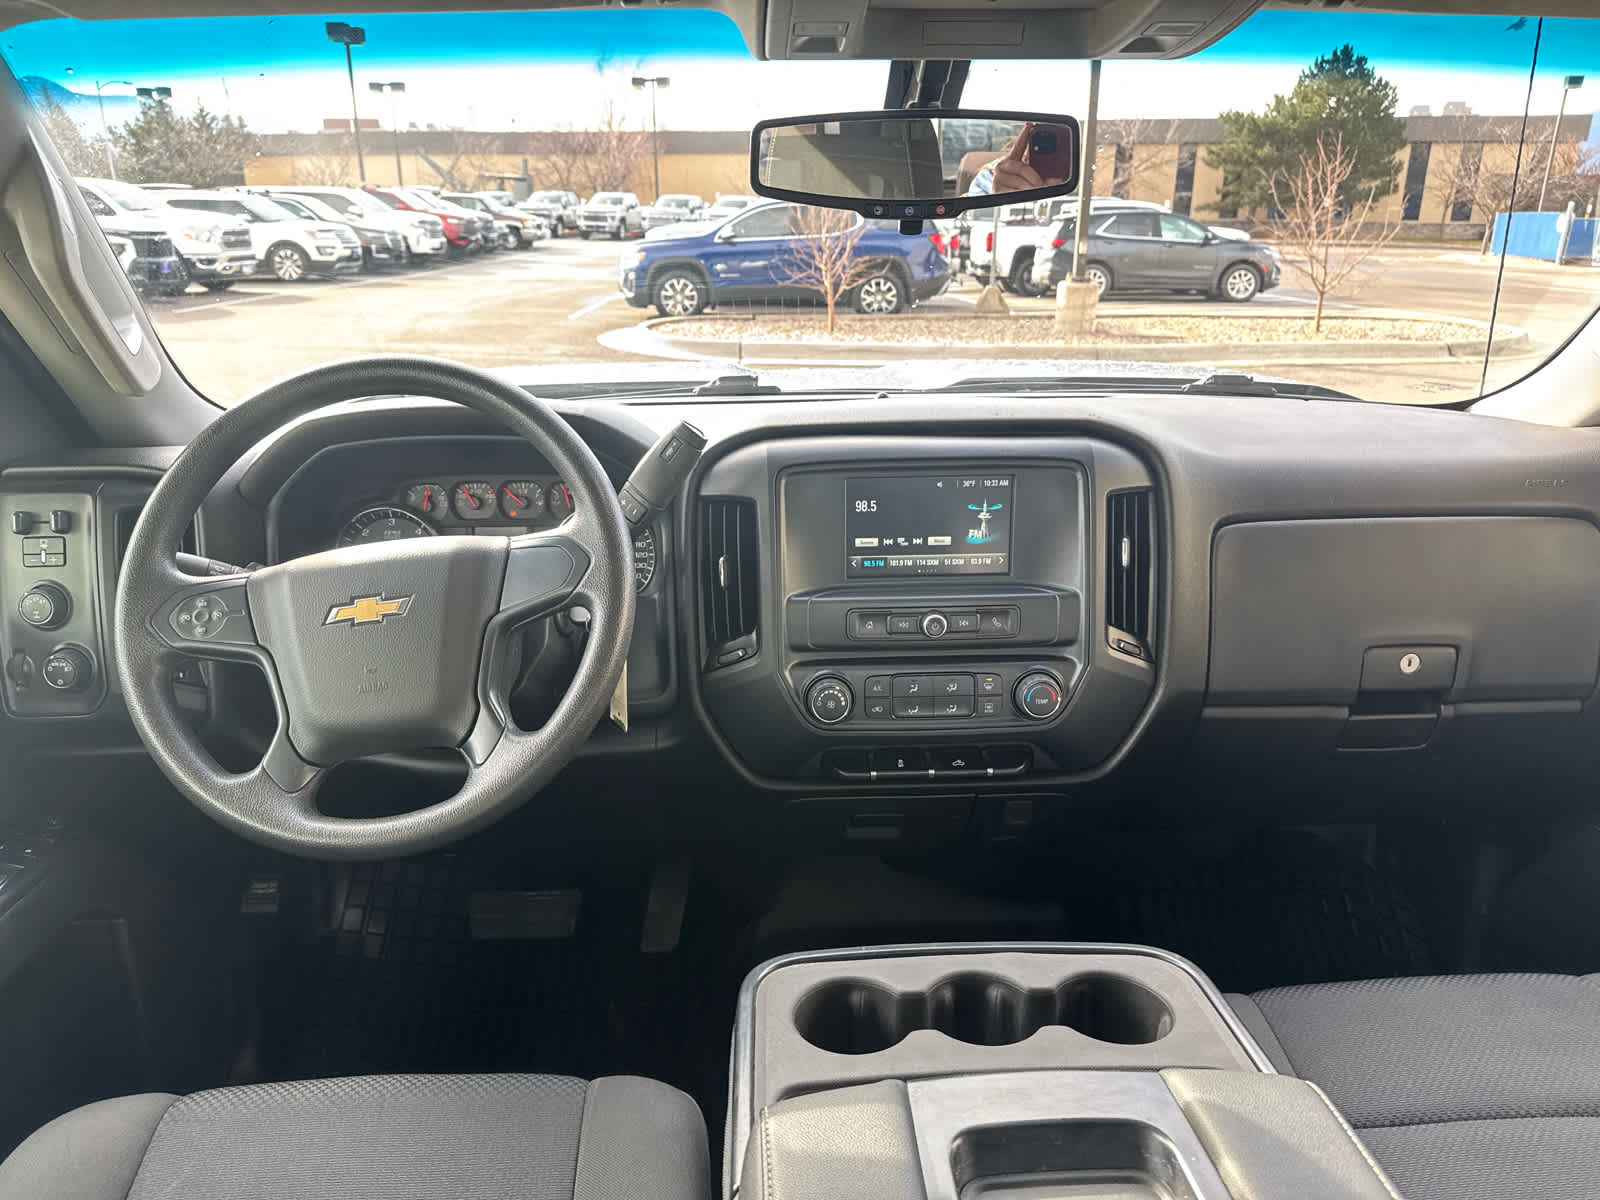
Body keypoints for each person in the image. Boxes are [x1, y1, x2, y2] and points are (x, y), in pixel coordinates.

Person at [966, 122, 1070, 197]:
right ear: (1028, 137)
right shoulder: (994, 176)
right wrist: (999, 199)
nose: (1049, 158)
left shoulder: (1080, 182)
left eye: (1063, 145)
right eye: (1042, 140)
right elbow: (970, 215)